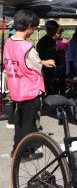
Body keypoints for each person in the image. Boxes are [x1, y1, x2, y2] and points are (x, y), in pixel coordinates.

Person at [3, 10, 55, 156]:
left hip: (16, 88)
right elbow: (37, 65)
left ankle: (17, 148)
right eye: (35, 28)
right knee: (28, 124)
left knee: (20, 122)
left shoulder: (8, 42)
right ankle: (22, 152)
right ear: (30, 26)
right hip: (30, 90)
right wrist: (45, 62)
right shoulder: (27, 47)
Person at [36, 20, 59, 95]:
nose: (56, 31)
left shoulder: (52, 40)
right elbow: (39, 56)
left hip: (51, 68)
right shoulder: (43, 41)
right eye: (55, 29)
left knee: (52, 88)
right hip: (45, 69)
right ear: (49, 29)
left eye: (56, 29)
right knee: (48, 88)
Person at [55, 26, 68, 95]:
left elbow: (67, 53)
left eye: (59, 33)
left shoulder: (65, 42)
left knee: (62, 82)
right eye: (56, 33)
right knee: (54, 83)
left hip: (62, 64)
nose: (58, 35)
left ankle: (63, 96)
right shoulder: (51, 41)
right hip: (54, 64)